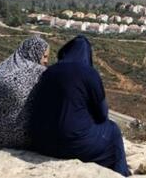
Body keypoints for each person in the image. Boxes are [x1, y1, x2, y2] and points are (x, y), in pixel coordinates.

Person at [30, 35, 130, 177]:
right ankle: (121, 173)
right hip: (73, 144)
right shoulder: (89, 73)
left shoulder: (48, 72)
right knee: (113, 130)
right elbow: (102, 115)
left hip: (42, 143)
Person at [0, 36, 50, 152]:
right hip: (19, 139)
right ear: (35, 52)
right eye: (44, 56)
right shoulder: (38, 72)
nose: (46, 61)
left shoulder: (3, 67)